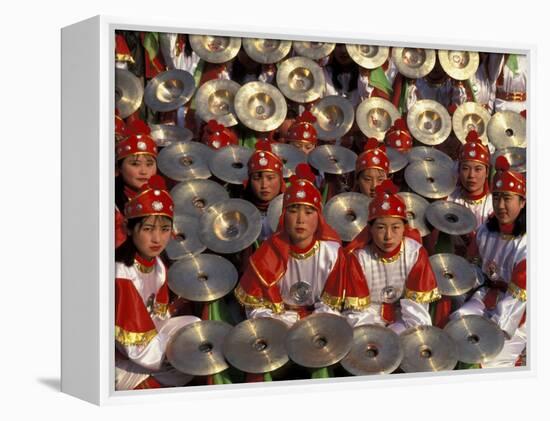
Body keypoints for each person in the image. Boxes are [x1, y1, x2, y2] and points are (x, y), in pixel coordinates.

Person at [234, 163, 350, 326]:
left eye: (308, 212)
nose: (300, 220)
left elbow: (333, 304)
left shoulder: (332, 253)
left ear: (319, 218)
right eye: (293, 211)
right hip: (279, 324)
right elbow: (256, 307)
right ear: (283, 216)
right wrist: (282, 323)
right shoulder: (267, 253)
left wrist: (310, 323)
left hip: (320, 324)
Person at [115, 175, 200, 390]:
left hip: (147, 338)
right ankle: (138, 390)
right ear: (128, 228)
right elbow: (138, 349)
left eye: (164, 229)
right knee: (187, 362)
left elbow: (158, 317)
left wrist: (172, 312)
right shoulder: (123, 274)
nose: (157, 238)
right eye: (147, 229)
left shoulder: (156, 264)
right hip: (122, 358)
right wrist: (175, 351)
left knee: (195, 325)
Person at [449, 156, 527, 368]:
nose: (500, 206)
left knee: (490, 357)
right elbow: (475, 268)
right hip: (487, 295)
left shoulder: (528, 244)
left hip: (518, 311)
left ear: (522, 202)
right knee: (458, 322)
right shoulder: (486, 229)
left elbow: (517, 299)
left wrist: (493, 328)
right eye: (496, 198)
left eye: (508, 199)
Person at [344, 180, 440, 333]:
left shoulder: (414, 254)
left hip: (404, 315)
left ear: (404, 228)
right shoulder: (360, 258)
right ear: (371, 229)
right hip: (369, 315)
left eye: (395, 227)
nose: (388, 236)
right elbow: (358, 312)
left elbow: (416, 310)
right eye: (381, 228)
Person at [115, 130, 159, 248]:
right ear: (118, 169)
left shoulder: (161, 196)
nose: (144, 171)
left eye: (149, 164)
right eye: (135, 164)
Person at [447, 130, 494, 230]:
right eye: (465, 168)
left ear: (487, 172)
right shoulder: (448, 200)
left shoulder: (493, 206)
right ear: (459, 170)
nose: (471, 175)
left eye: (478, 169)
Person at [243, 140, 286, 242]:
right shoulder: (240, 210)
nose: (264, 185)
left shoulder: (289, 209)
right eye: (257, 178)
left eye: (270, 178)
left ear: (280, 180)